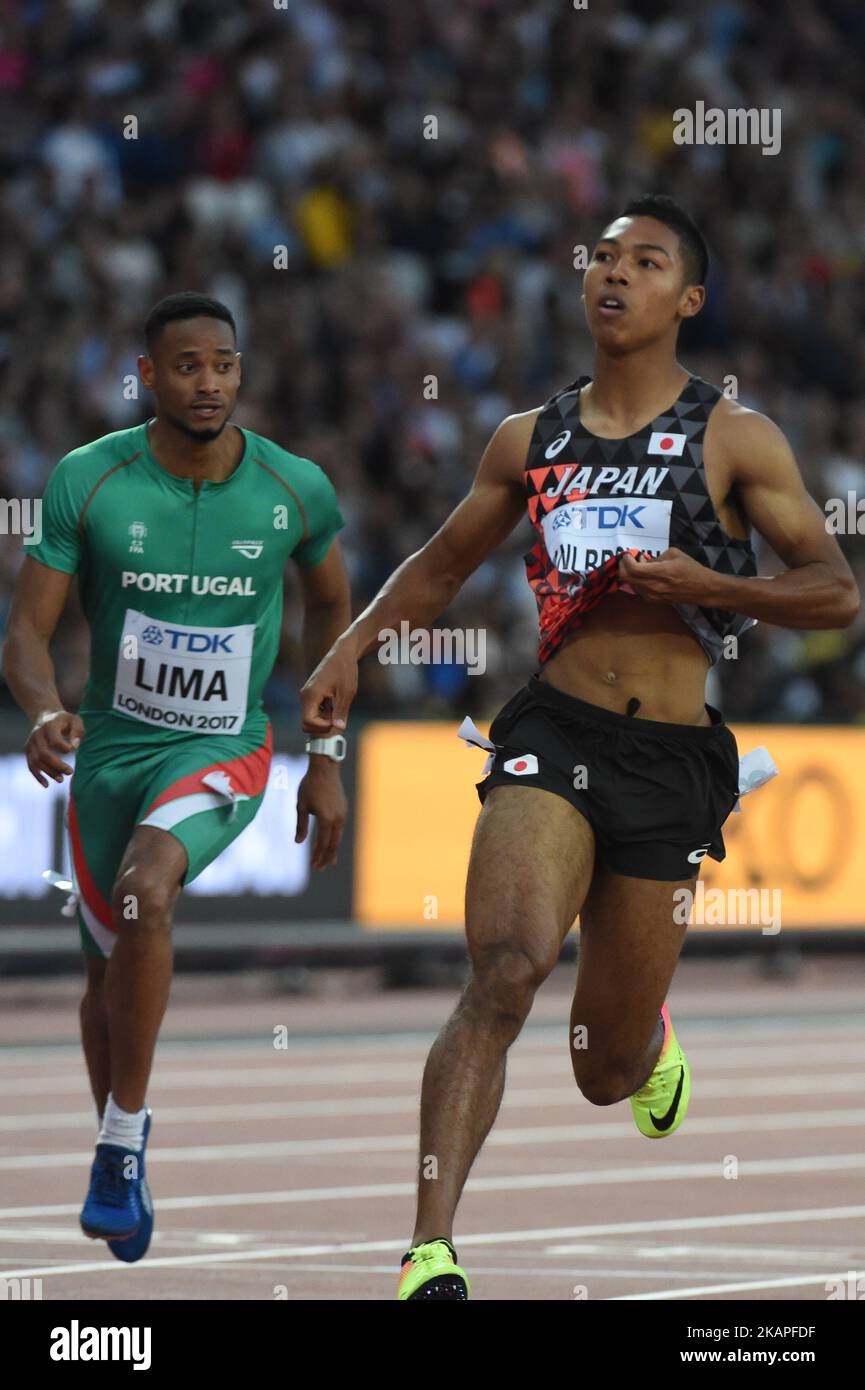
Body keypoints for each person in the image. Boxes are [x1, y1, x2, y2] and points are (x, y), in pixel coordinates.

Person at [298, 195, 859, 1300]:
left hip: (670, 758)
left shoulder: (735, 438)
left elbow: (836, 591)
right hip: (552, 729)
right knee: (503, 969)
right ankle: (429, 1251)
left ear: (686, 300)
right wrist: (350, 648)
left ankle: (644, 1039)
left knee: (601, 1071)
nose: (613, 274)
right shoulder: (529, 438)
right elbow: (443, 563)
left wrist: (710, 585)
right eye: (601, 257)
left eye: (644, 262)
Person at [2, 292, 351, 1263]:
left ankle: (118, 1141)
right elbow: (26, 629)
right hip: (111, 748)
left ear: (241, 372)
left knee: (145, 891)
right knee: (100, 971)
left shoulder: (294, 489)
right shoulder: (89, 479)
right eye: (188, 366)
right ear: (147, 376)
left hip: (223, 744)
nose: (210, 383)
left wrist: (322, 755)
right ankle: (123, 1137)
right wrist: (40, 710)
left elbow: (334, 615)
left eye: (225, 365)